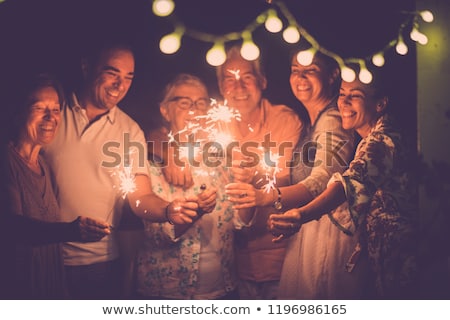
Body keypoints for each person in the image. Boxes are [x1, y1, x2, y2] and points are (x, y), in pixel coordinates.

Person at [42, 42, 200, 299]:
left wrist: (169, 210)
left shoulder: (128, 131)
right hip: (43, 255)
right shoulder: (52, 113)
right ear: (86, 67)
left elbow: (140, 198)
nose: (120, 85)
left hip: (99, 264)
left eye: (128, 77)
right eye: (112, 73)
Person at [269, 74, 419, 299]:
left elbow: (347, 186)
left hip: (401, 259)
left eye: (355, 96)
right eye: (342, 94)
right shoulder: (373, 136)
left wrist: (301, 214)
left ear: (380, 104)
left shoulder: (383, 140)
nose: (345, 103)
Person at [225, 49, 356, 299]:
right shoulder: (314, 121)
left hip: (327, 238)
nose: (301, 77)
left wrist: (268, 197)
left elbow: (322, 181)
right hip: (304, 237)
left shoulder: (332, 120)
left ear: (332, 75)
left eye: (311, 70)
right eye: (295, 71)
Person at [136, 73, 255, 299]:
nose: (194, 110)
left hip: (223, 290)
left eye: (201, 103)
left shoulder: (220, 161)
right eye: (184, 103)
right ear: (165, 110)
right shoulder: (151, 164)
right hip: (169, 293)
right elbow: (160, 233)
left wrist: (245, 184)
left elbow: (241, 223)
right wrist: (196, 210)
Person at [0, 73, 110, 299]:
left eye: (56, 109)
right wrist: (70, 230)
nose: (51, 117)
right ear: (18, 111)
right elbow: (12, 227)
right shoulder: (7, 160)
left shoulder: (44, 166)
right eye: (39, 108)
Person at [215, 44, 303, 299]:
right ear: (221, 88)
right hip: (230, 263)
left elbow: (285, 179)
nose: (239, 87)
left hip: (278, 258)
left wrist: (253, 177)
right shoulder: (214, 123)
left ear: (262, 81)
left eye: (247, 77)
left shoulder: (284, 121)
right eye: (229, 79)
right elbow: (175, 140)